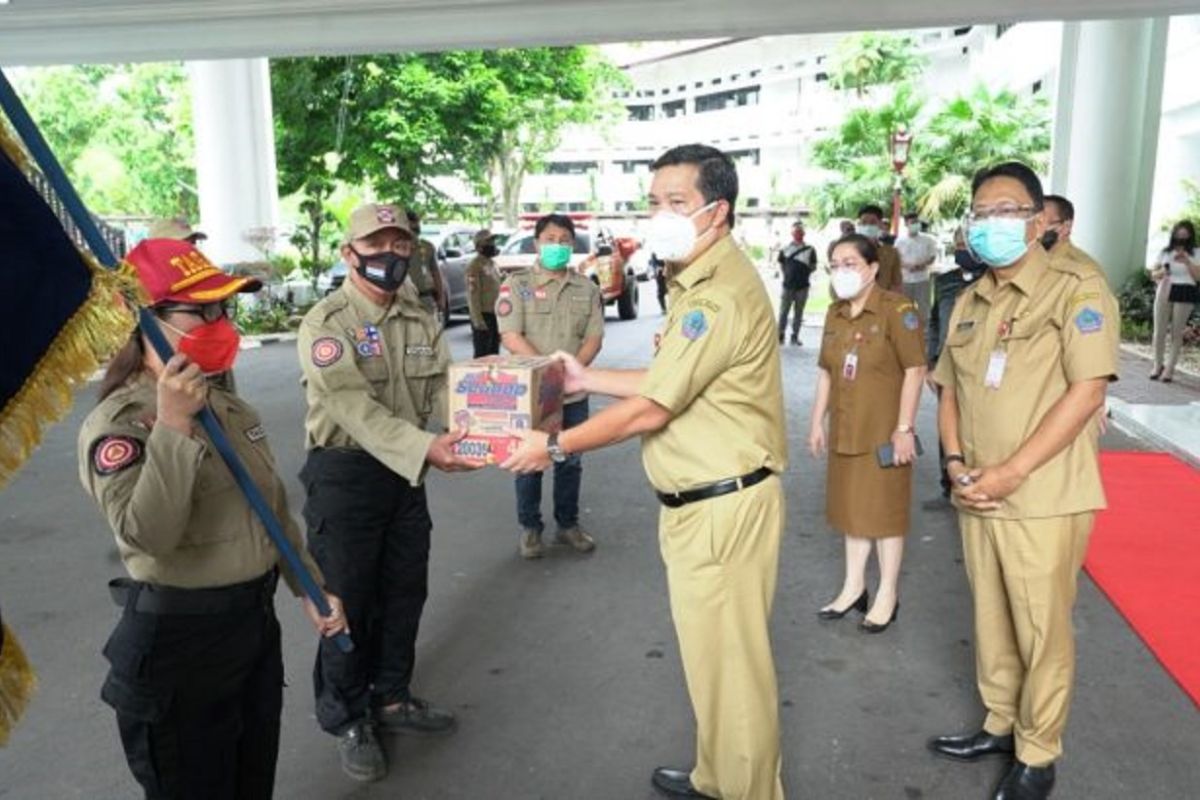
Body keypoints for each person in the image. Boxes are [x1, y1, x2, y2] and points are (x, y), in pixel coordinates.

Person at [502, 144, 788, 800]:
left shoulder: (713, 298)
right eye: (654, 201)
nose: (659, 214)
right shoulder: (701, 283)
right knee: (713, 666)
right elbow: (670, 380)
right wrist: (584, 376)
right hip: (705, 505)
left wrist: (554, 445)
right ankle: (717, 778)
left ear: (718, 212)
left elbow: (651, 408)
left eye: (676, 203)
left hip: (721, 508)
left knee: (734, 676)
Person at [77, 238, 347, 798]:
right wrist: (173, 427)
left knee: (252, 784)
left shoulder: (225, 403)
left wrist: (310, 587)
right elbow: (148, 536)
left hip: (251, 630)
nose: (218, 321)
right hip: (179, 644)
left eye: (223, 308)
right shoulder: (122, 424)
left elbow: (268, 508)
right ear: (142, 319)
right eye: (199, 310)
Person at [927, 162, 1118, 800]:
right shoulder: (971, 295)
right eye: (981, 213)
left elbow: (1088, 390)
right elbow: (947, 389)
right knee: (991, 617)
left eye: (1006, 210)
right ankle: (1000, 722)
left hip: (1041, 495)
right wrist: (955, 465)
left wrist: (1011, 471)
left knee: (1041, 627)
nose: (991, 223)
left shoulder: (1077, 287)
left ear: (1038, 221)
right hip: (977, 488)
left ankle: (1038, 751)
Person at [297, 203, 480, 782]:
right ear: (350, 254)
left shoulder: (418, 316)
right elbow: (349, 407)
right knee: (346, 604)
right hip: (345, 476)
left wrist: (484, 428)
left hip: (403, 475)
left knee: (405, 589)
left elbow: (446, 393)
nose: (391, 255)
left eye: (401, 245)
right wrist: (426, 448)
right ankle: (348, 717)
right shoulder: (326, 324)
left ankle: (392, 697)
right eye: (377, 245)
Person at [808, 234, 926, 633]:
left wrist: (905, 428)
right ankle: (853, 588)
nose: (842, 271)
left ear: (873, 268)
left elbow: (915, 368)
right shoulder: (835, 313)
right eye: (835, 264)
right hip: (846, 426)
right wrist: (815, 422)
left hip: (883, 432)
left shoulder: (897, 309)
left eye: (850, 263)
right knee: (852, 512)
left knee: (884, 515)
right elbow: (826, 369)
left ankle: (887, 593)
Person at [497, 213, 605, 559]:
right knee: (529, 461)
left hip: (573, 394)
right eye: (549, 239)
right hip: (529, 395)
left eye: (564, 240)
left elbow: (593, 339)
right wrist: (548, 376)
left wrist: (570, 377)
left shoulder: (587, 289)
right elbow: (511, 336)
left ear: (572, 245)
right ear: (536, 243)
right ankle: (530, 528)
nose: (556, 245)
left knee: (569, 459)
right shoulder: (517, 285)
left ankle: (567, 525)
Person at [925, 227, 988, 501]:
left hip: (981, 364)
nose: (963, 248)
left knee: (979, 420)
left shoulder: (992, 279)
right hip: (946, 362)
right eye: (959, 244)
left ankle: (979, 475)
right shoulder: (944, 281)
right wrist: (931, 360)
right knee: (947, 420)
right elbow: (935, 321)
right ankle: (947, 481)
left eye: (968, 244)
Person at [1149, 220, 1198, 382]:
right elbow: (1153, 274)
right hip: (1164, 289)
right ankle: (1157, 365)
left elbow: (1198, 277)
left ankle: (1169, 370)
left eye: (1185, 234)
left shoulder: (1196, 252)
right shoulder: (1165, 252)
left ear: (1190, 236)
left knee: (1176, 333)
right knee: (1159, 331)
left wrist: (1187, 262)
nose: (1181, 237)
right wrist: (1162, 271)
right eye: (1178, 233)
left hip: (1185, 290)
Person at [777, 220, 817, 345]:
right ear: (792, 234)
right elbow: (781, 264)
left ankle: (795, 336)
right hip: (787, 285)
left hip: (803, 286)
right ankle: (780, 334)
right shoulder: (785, 249)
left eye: (800, 232)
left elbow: (813, 265)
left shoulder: (810, 249)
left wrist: (804, 273)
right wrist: (788, 274)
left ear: (803, 234)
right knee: (783, 311)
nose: (798, 234)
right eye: (796, 232)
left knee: (799, 313)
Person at [1041, 195, 1102, 276]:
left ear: (1066, 226)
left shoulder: (1085, 272)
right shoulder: (1028, 258)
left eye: (1042, 222)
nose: (1034, 229)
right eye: (1031, 222)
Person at [466, 228, 503, 357]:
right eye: (489, 242)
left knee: (494, 352)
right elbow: (473, 295)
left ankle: (492, 377)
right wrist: (477, 320)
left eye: (493, 242)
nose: (493, 245)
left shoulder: (493, 263)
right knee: (482, 354)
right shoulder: (474, 266)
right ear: (479, 246)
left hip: (495, 314)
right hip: (483, 316)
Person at [896, 212, 937, 325]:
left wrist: (922, 265)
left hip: (922, 279)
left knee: (924, 307)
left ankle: (924, 332)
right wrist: (907, 266)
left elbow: (932, 256)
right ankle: (906, 331)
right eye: (912, 222)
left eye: (916, 222)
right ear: (906, 224)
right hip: (906, 280)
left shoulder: (928, 239)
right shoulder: (900, 241)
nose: (915, 224)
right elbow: (896, 258)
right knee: (905, 307)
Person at [404, 208, 446, 316]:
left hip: (426, 298)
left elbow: (436, 273)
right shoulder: (397, 249)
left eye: (416, 227)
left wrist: (441, 298)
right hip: (405, 300)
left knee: (431, 331)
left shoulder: (427, 247)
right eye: (411, 228)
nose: (414, 231)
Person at [856, 204, 902, 291]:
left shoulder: (891, 253)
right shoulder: (848, 252)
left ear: (880, 225)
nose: (868, 226)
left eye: (873, 222)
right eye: (864, 222)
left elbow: (896, 283)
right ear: (859, 225)